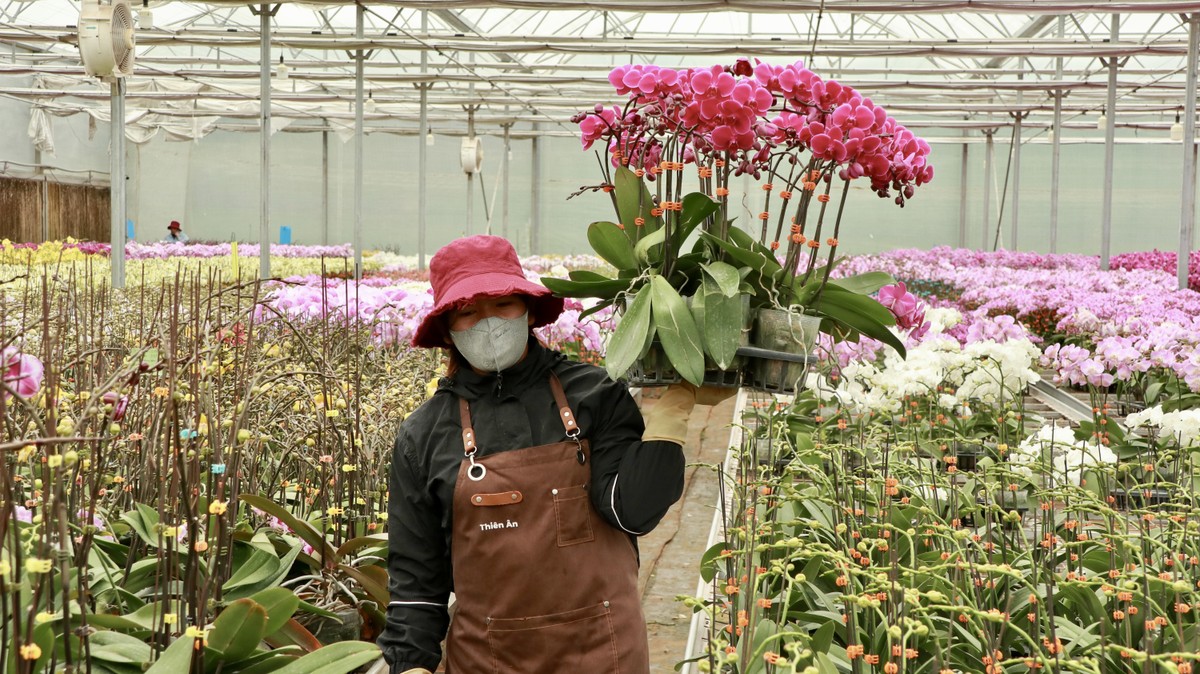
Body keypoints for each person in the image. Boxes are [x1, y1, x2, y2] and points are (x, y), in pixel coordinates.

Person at [379, 235, 732, 674]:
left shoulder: (594, 394)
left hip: (604, 653)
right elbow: (417, 582)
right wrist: (411, 666)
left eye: (503, 305)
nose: (488, 323)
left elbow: (633, 511)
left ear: (527, 311)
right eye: (468, 312)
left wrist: (676, 408)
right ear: (447, 329)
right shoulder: (424, 436)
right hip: (487, 661)